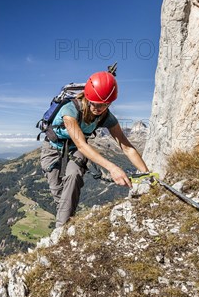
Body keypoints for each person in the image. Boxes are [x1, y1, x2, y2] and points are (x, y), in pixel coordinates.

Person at [40, 71, 149, 228]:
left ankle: (61, 232)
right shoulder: (70, 110)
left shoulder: (106, 116)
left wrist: (147, 174)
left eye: (105, 105)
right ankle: (66, 225)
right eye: (95, 104)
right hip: (53, 149)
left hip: (75, 150)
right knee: (59, 195)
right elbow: (82, 145)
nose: (99, 109)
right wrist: (112, 168)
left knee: (74, 176)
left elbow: (126, 146)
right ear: (88, 98)